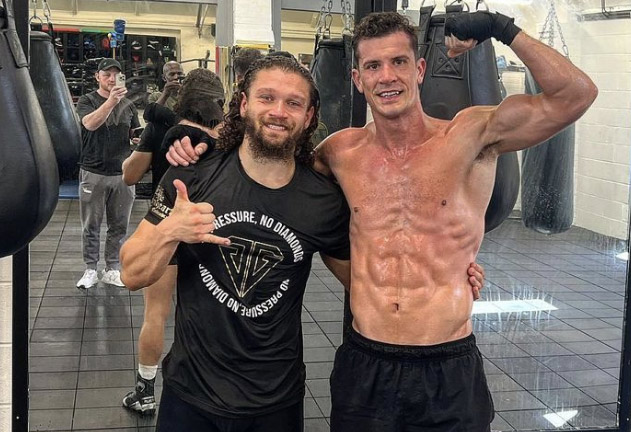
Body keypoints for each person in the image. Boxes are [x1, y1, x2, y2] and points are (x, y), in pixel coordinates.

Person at [167, 10, 597, 431]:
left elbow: (575, 94)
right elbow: (273, 165)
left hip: (448, 364)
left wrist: (502, 29)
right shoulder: (340, 152)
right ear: (357, 79)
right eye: (373, 65)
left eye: (399, 62)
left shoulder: (472, 136)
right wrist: (203, 151)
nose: (386, 76)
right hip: (366, 363)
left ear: (421, 68)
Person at [120, 55, 487, 431]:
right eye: (267, 98)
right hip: (191, 395)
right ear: (244, 104)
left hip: (275, 401)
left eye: (293, 103)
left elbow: (372, 281)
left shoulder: (322, 200)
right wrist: (170, 231)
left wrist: (450, 275)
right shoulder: (194, 175)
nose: (278, 112)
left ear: (309, 116)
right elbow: (132, 273)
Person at [120, 68, 225, 415]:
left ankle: (145, 391)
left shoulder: (164, 128)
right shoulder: (229, 136)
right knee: (215, 312)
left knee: (157, 313)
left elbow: (130, 176)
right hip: (212, 230)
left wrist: (158, 140)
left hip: (169, 219)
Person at [75, 58, 140, 289]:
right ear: (98, 77)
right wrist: (111, 101)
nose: (111, 79)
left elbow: (134, 132)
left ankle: (112, 268)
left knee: (119, 225)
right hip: (93, 171)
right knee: (91, 224)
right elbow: (90, 124)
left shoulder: (129, 105)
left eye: (116, 75)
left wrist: (138, 138)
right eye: (107, 74)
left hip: (122, 173)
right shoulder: (87, 100)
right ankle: (91, 268)